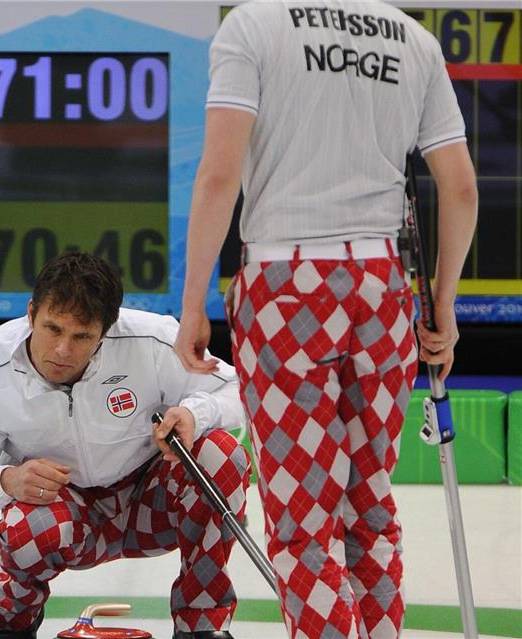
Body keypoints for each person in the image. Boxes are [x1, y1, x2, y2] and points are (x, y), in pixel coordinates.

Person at [174, 2, 478, 638]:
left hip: (285, 285)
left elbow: (219, 174)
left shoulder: (252, 26)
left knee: (302, 521)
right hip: (381, 287)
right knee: (369, 504)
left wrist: (192, 304)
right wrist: (441, 306)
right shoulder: (414, 39)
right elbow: (461, 186)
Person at [0, 251, 251, 639]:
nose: (63, 351)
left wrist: (195, 414)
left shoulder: (153, 339)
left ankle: (203, 627)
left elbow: (241, 392)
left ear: (107, 328)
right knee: (27, 527)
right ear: (31, 313)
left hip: (152, 505)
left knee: (220, 453)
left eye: (82, 336)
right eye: (52, 329)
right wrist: (7, 480)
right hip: (66, 513)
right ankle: (11, 626)